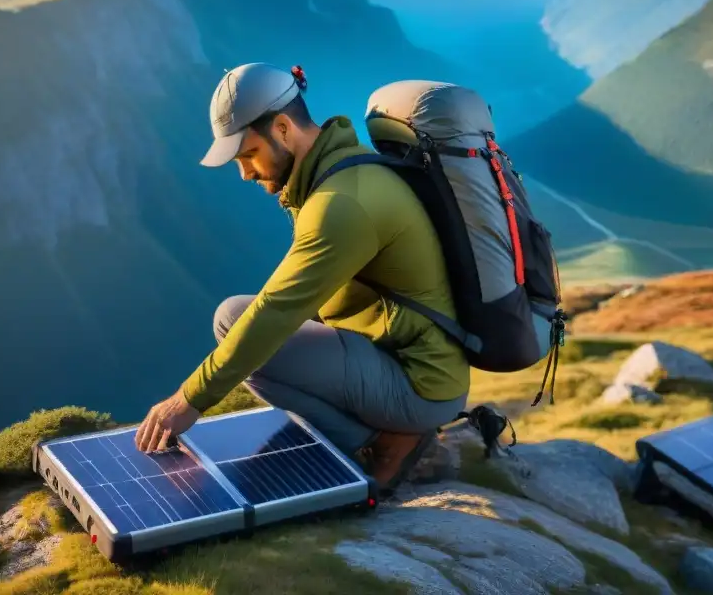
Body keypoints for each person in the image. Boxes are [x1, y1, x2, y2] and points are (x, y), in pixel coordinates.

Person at [134, 62, 470, 491]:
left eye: (248, 154)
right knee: (235, 320)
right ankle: (381, 433)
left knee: (245, 328)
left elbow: (276, 312)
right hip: (400, 357)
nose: (245, 172)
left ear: (282, 128)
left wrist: (188, 400)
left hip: (417, 384)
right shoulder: (341, 170)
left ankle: (384, 444)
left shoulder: (342, 204)